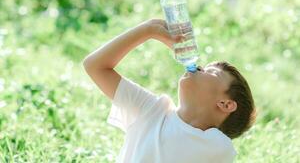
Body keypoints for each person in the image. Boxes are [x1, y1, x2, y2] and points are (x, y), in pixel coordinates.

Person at [82, 19, 256, 163]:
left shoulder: (218, 147)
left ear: (225, 104)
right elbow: (94, 66)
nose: (200, 67)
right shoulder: (152, 110)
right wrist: (148, 30)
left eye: (212, 72)